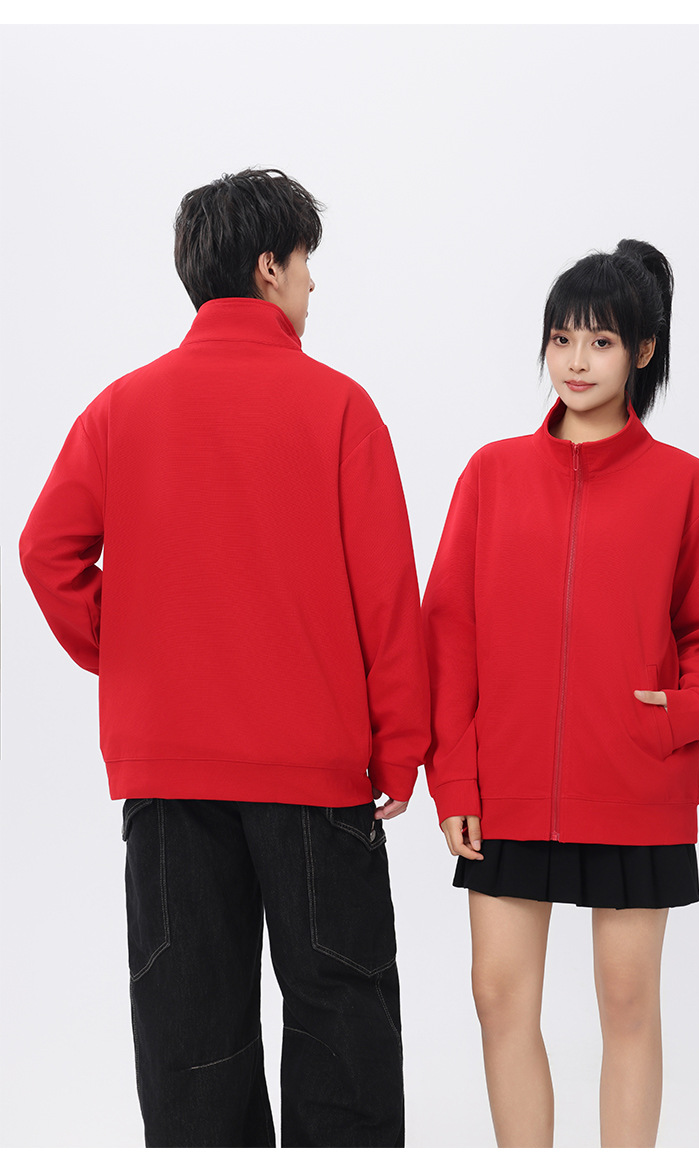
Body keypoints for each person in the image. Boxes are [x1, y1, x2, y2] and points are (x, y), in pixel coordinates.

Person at [19, 167, 430, 1148]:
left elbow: (45, 552)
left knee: (192, 1042)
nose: (313, 283)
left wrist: (137, 654)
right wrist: (401, 745)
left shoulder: (122, 408)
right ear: (268, 267)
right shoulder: (340, 408)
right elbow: (386, 597)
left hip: (169, 779)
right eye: (305, 262)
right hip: (316, 776)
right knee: (342, 1032)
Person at [422, 240, 699, 1148]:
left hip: (634, 782)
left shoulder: (683, 483)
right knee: (497, 995)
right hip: (508, 785)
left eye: (599, 341)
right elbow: (449, 636)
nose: (576, 361)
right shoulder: (490, 473)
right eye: (561, 339)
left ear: (643, 349)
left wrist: (681, 714)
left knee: (627, 1002)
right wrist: (455, 780)